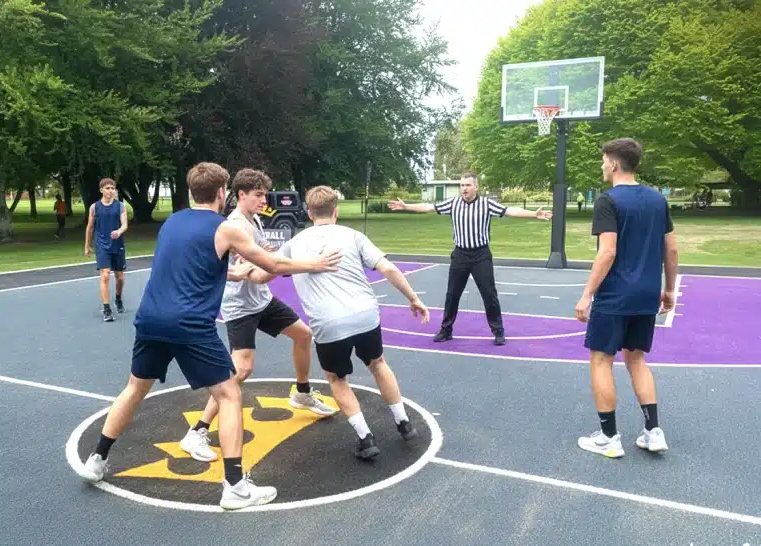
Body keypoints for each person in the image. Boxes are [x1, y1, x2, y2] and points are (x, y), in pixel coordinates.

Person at [73, 162, 342, 510]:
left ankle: (97, 459)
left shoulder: (172, 223)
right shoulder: (226, 228)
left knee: (135, 389)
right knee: (230, 393)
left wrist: (229, 275)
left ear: (190, 192)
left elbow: (189, 267)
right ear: (221, 193)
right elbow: (273, 266)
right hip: (189, 323)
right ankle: (235, 487)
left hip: (151, 318)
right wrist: (315, 264)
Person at [245, 186, 429, 459]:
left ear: (308, 212)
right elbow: (388, 268)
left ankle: (366, 439)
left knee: (337, 378)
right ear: (336, 211)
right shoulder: (353, 236)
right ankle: (403, 423)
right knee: (378, 364)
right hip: (366, 315)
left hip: (329, 324)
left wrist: (240, 268)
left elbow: (262, 276)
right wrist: (413, 298)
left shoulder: (295, 243)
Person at [179, 169, 336, 463]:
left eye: (265, 194)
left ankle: (302, 393)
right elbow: (256, 270)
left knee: (303, 334)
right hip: (240, 308)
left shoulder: (255, 221)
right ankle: (196, 432)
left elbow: (261, 261)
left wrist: (264, 260)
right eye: (258, 195)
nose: (264, 200)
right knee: (240, 370)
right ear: (240, 195)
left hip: (261, 301)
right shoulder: (235, 225)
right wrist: (306, 265)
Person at [573, 138, 677, 458]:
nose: (602, 166)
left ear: (614, 164)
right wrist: (669, 289)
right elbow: (670, 249)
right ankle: (653, 431)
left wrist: (586, 294)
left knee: (601, 360)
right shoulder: (657, 199)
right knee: (636, 359)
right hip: (646, 294)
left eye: (604, 160)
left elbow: (608, 251)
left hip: (615, 294)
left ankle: (608, 437)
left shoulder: (608, 201)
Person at [388, 172, 552, 345]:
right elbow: (428, 207)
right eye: (462, 185)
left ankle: (498, 330)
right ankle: (446, 329)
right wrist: (406, 206)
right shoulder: (453, 203)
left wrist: (534, 214)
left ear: (476, 187)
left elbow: (510, 211)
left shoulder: (486, 204)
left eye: (467, 185)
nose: (464, 189)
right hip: (460, 255)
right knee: (452, 294)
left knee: (489, 294)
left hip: (481, 255)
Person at [84, 178, 128, 322]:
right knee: (105, 275)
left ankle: (118, 299)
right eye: (108, 188)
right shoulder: (94, 207)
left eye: (112, 188)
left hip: (117, 244)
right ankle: (107, 309)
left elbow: (124, 225)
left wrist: (119, 232)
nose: (111, 191)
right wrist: (87, 245)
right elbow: (90, 228)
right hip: (102, 245)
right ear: (101, 189)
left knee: (120, 278)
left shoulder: (120, 206)